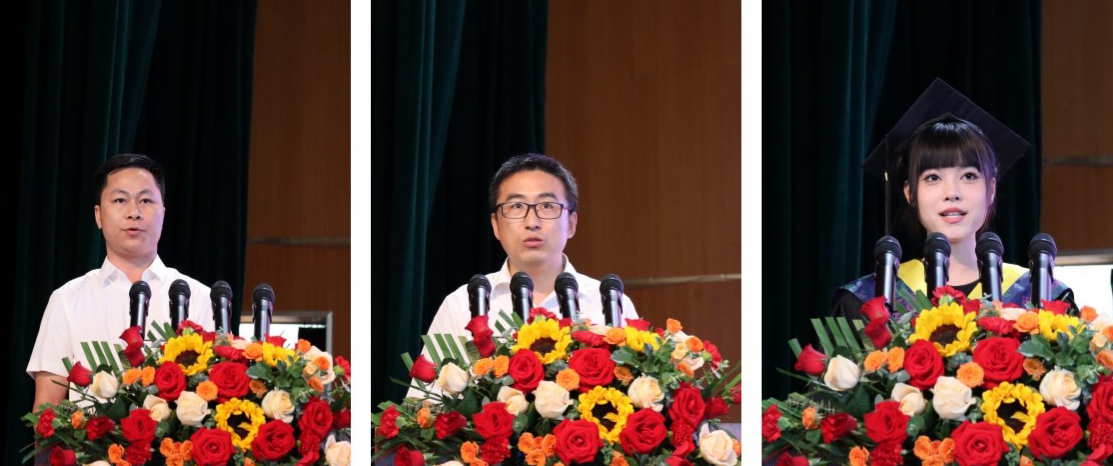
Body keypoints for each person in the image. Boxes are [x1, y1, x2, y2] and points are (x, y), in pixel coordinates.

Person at [832, 79, 1075, 319]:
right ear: (910, 193)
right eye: (933, 177)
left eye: (969, 176)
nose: (952, 192)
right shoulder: (867, 302)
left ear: (991, 189)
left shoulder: (1040, 299)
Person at [408, 153, 638, 398]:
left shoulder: (609, 303)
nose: (532, 222)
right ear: (496, 225)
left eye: (547, 206)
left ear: (571, 223)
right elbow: (422, 405)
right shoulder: (462, 304)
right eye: (517, 206)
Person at [27, 154, 215, 410]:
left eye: (146, 200)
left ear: (163, 214)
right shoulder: (67, 299)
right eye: (120, 200)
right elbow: (46, 411)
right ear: (98, 215)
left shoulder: (200, 299)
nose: (133, 212)